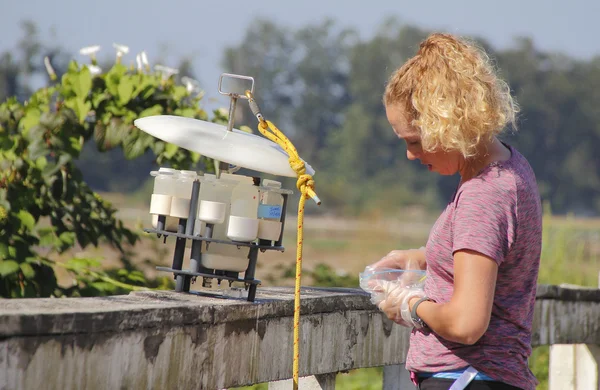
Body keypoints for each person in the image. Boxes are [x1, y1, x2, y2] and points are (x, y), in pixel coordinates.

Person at [370, 33, 542, 390]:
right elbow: (486, 260)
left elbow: (466, 323)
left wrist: (411, 305)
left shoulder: (484, 194)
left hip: (467, 378)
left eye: (414, 141)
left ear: (445, 123)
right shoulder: (511, 168)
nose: (410, 155)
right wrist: (419, 257)